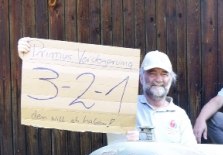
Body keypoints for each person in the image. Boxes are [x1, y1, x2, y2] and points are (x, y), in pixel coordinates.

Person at [17, 38, 196, 145]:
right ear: (141, 77)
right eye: (152, 73)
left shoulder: (179, 115)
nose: (158, 79)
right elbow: (72, 97)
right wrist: (29, 54)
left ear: (171, 79)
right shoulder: (120, 104)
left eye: (164, 74)